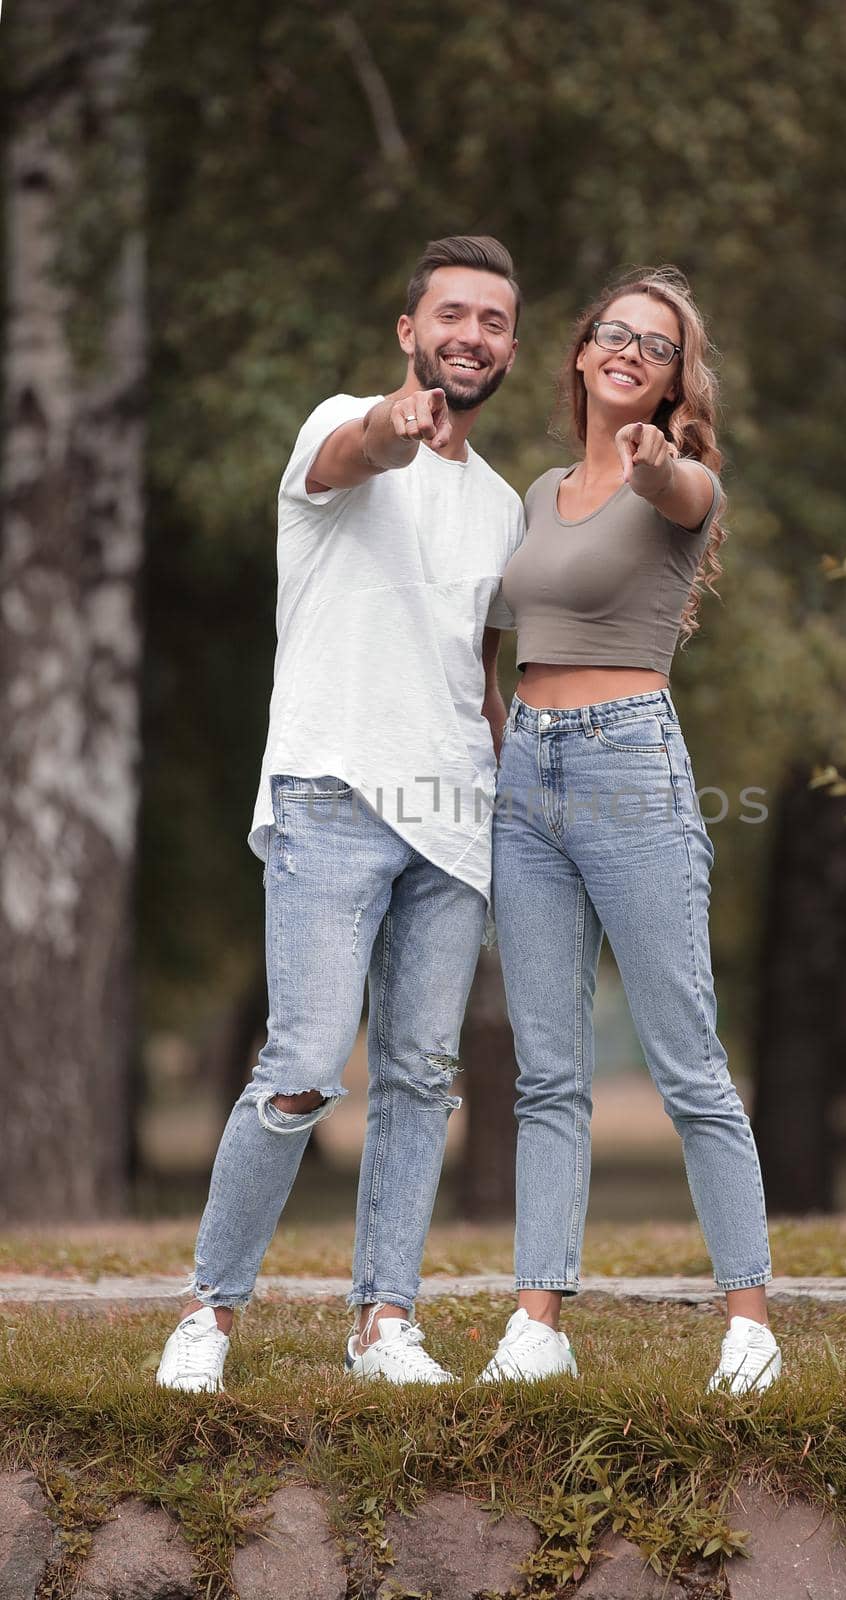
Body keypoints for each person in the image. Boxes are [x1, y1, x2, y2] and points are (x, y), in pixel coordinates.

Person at [156, 236, 524, 1393]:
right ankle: (209, 1314)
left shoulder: (506, 506)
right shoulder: (343, 427)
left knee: (420, 1073)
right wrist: (392, 424)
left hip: (453, 817)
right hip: (330, 794)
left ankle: (382, 1324)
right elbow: (352, 447)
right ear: (408, 332)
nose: (471, 334)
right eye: (451, 314)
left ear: (509, 349)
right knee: (306, 1063)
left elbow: (480, 676)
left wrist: (521, 801)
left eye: (494, 321)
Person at [478, 267, 781, 1395]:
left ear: (670, 379)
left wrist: (657, 462)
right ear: (578, 353)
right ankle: (536, 1323)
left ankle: (747, 1320)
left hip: (628, 765)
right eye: (611, 332)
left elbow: (684, 496)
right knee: (546, 1070)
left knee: (684, 1057)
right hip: (528, 781)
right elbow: (496, 625)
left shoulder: (680, 477)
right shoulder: (539, 487)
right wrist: (490, 712)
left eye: (651, 345)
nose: (625, 350)